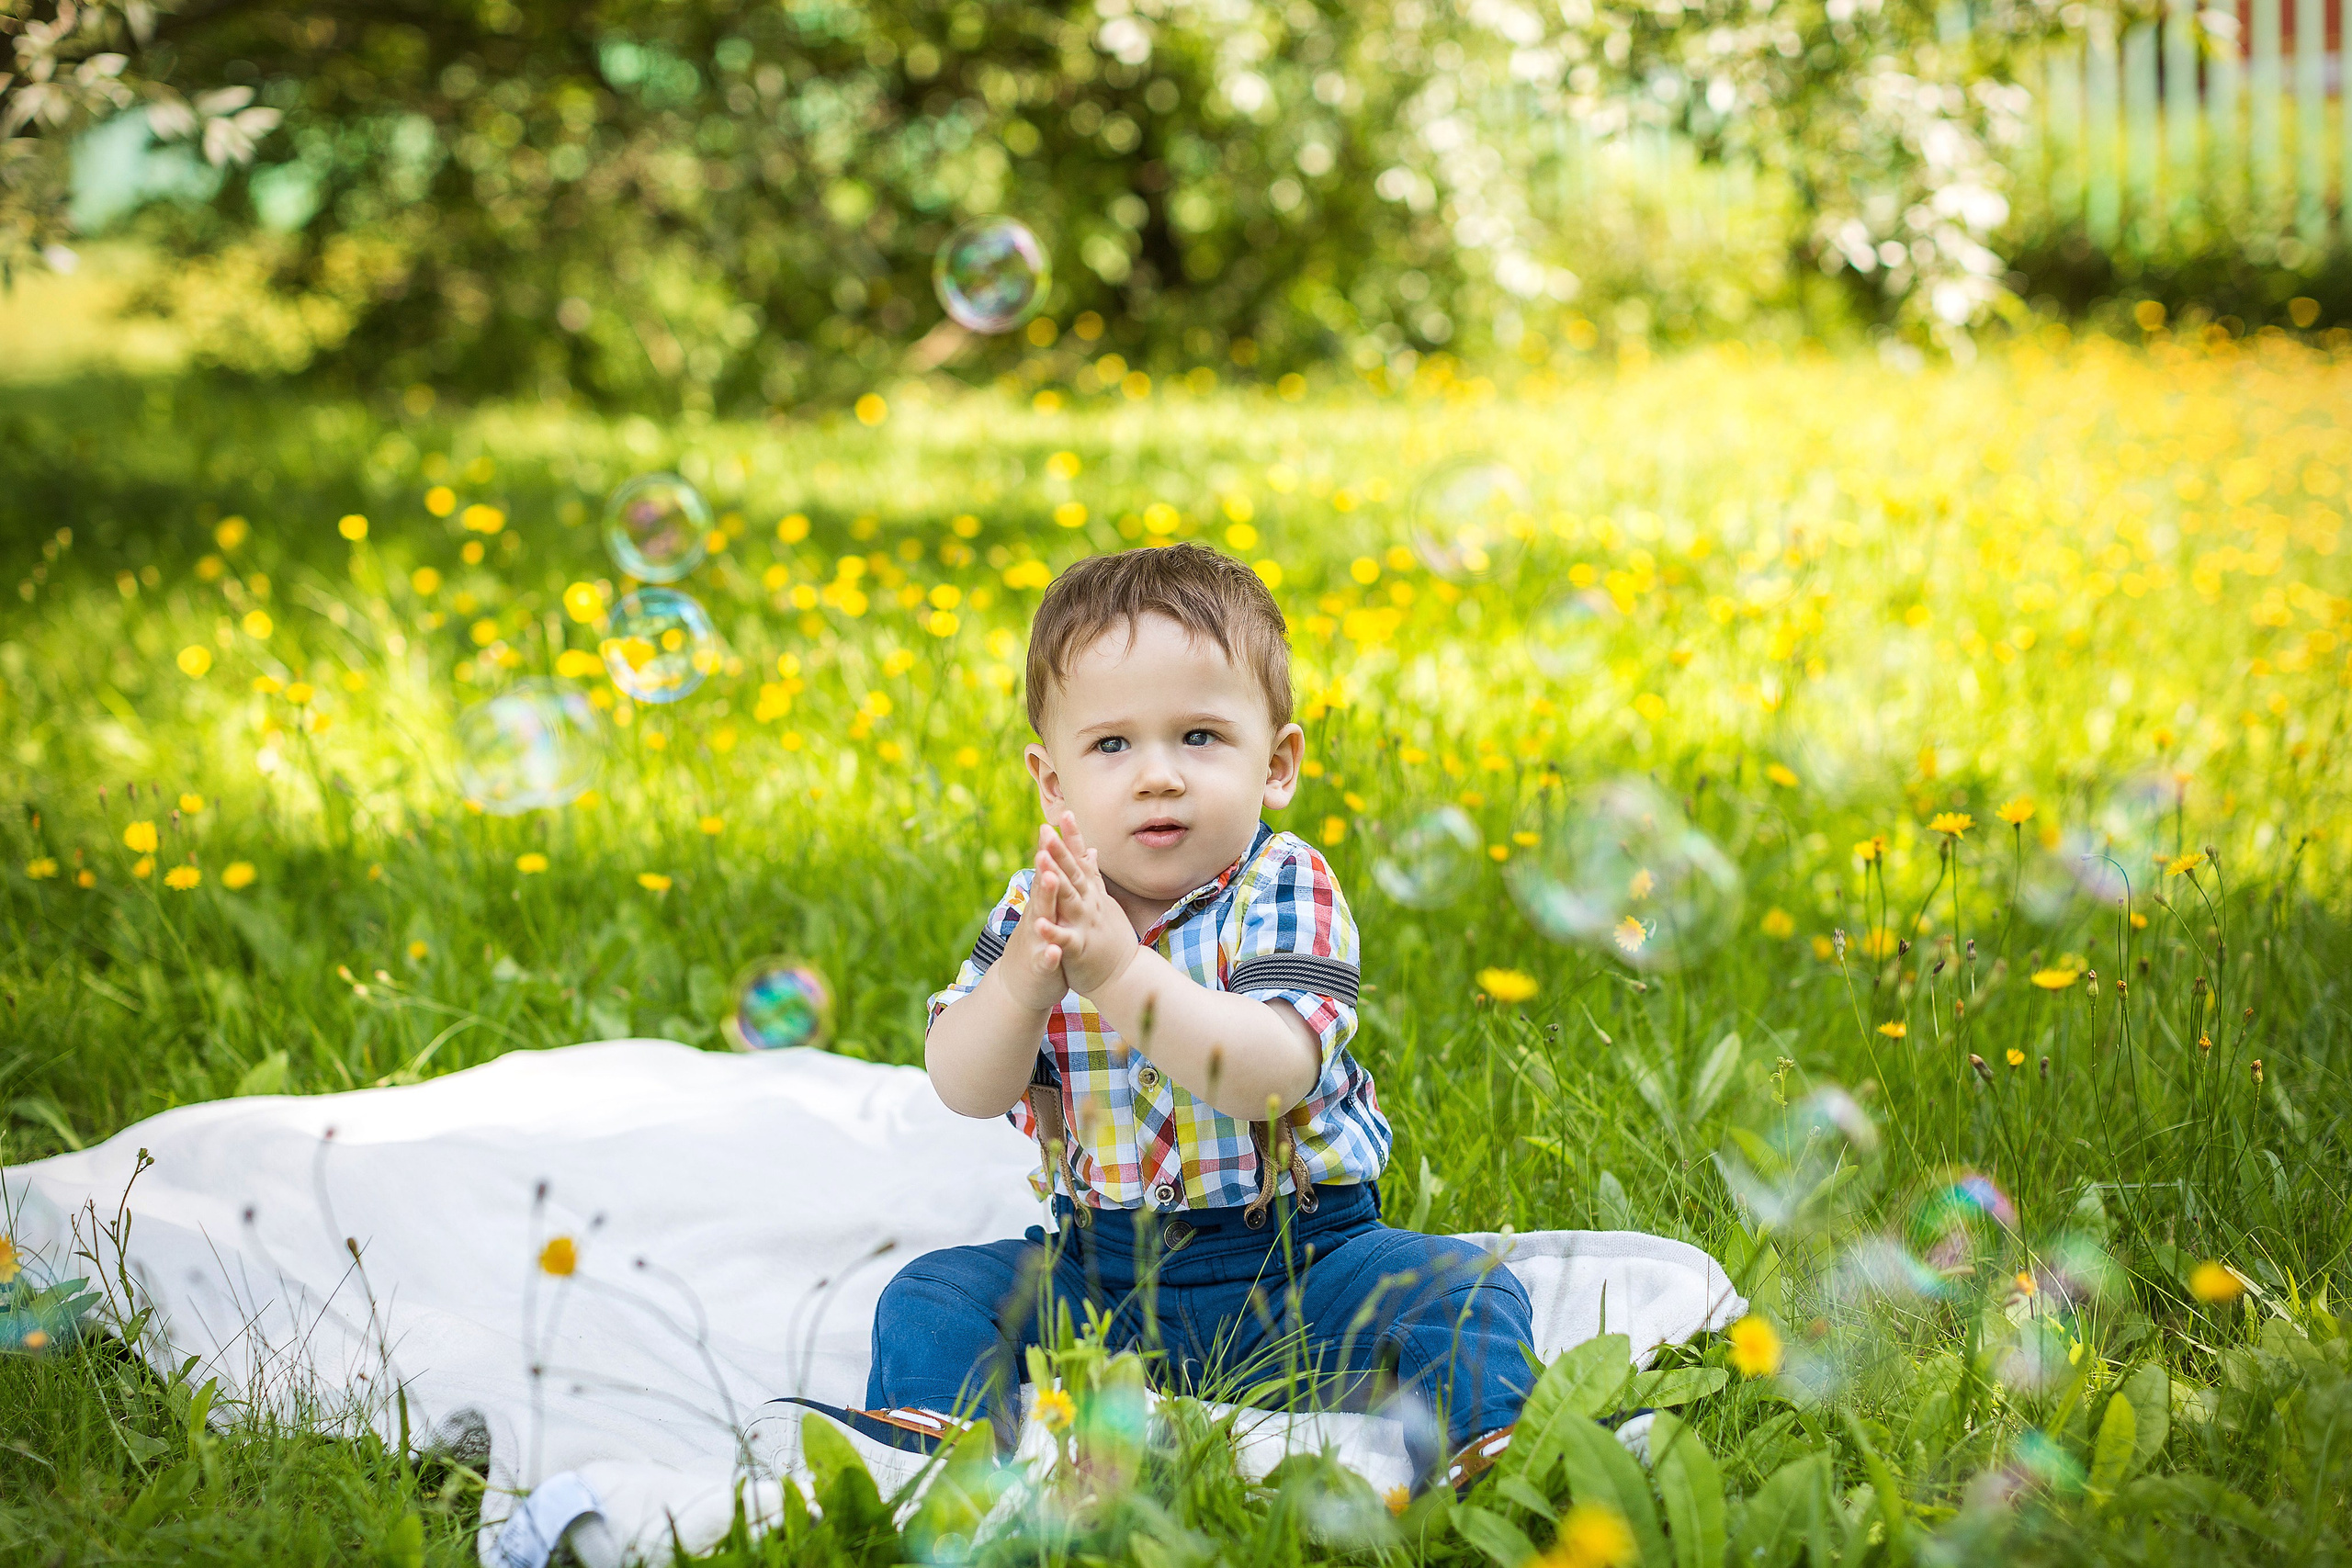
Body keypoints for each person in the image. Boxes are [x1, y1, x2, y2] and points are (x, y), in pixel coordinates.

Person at [839, 543, 1532, 1490]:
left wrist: (1118, 970)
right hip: (1105, 1283)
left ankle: (1483, 1456)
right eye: (1112, 745)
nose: (1157, 775)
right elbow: (964, 1083)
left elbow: (1268, 1071)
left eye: (1199, 737)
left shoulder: (1285, 887)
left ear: (1276, 763)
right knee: (934, 1294)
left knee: (1461, 1289)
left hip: (1302, 1266)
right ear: (1053, 783)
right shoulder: (1038, 909)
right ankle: (930, 1462)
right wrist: (1022, 990)